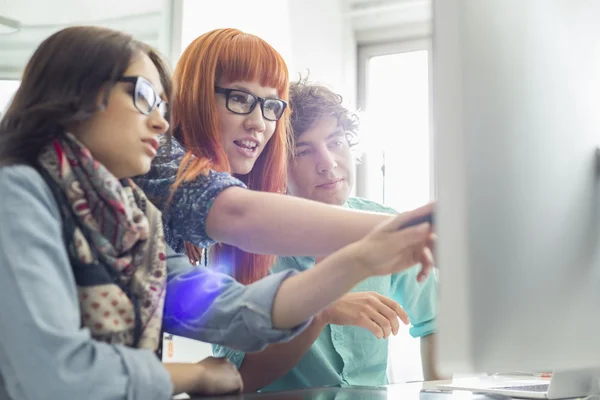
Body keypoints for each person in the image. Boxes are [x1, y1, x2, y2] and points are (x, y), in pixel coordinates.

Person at [0, 26, 435, 400]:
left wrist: (361, 259)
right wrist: (194, 375)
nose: (158, 122)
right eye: (144, 97)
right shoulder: (18, 194)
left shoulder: (137, 222)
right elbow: (55, 373)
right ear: (76, 94)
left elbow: (231, 310)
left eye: (271, 106)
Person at [135, 28, 436, 287]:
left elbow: (202, 311)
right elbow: (240, 215)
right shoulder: (155, 157)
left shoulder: (227, 191)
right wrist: (411, 229)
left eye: (271, 106)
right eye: (239, 98)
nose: (260, 123)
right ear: (195, 96)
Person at [212, 78, 440, 391]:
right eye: (304, 151)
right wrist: (320, 309)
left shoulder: (386, 224)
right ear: (278, 164)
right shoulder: (244, 240)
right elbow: (236, 373)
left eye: (335, 142)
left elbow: (436, 320)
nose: (328, 164)